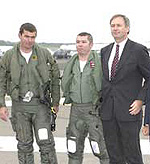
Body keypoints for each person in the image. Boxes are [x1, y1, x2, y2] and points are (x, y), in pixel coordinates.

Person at [0, 23, 60, 164]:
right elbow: (1, 81)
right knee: (24, 145)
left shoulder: (44, 54)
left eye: (33, 37)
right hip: (19, 107)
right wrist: (1, 105)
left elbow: (55, 79)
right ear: (20, 35)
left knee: (46, 144)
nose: (29, 40)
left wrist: (55, 102)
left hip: (40, 106)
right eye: (26, 36)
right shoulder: (9, 56)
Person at [100, 14, 150, 164]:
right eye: (113, 26)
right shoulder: (105, 51)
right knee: (114, 155)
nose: (115, 28)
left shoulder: (138, 50)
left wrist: (141, 100)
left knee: (132, 155)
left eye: (119, 25)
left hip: (129, 111)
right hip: (108, 112)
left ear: (127, 29)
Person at [61, 32, 109, 164]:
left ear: (91, 44)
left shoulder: (100, 62)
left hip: (93, 109)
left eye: (83, 42)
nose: (80, 45)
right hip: (76, 110)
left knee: (100, 148)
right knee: (73, 147)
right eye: (78, 42)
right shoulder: (73, 62)